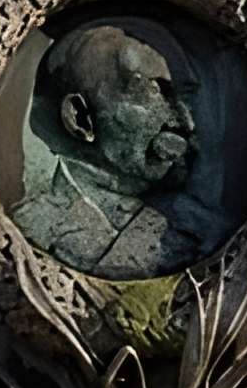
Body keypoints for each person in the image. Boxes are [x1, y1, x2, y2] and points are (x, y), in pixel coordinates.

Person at [12, 16, 225, 278]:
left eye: (187, 97)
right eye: (158, 92)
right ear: (79, 118)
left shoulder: (201, 231)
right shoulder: (35, 225)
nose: (188, 122)